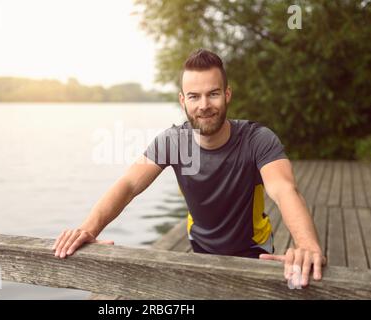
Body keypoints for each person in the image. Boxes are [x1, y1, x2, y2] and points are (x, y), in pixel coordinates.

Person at [52, 48, 326, 287]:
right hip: (200, 251)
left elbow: (284, 190)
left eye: (213, 94)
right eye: (194, 96)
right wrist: (88, 229)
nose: (204, 105)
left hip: (253, 253)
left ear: (227, 94)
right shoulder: (174, 141)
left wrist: (307, 246)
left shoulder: (257, 139)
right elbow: (128, 185)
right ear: (183, 100)